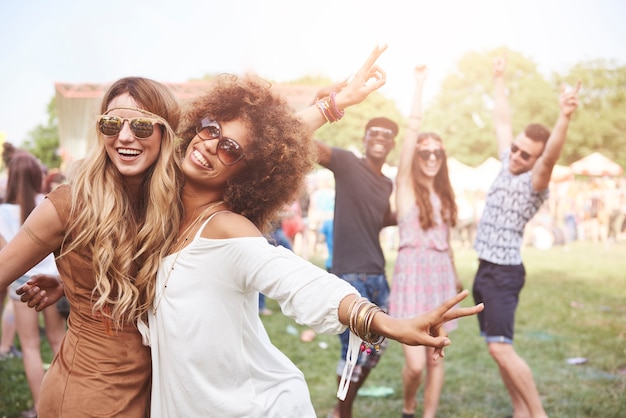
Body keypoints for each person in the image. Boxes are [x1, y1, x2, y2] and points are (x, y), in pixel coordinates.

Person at [136, 45, 483, 417]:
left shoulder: (226, 228)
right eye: (210, 129)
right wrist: (335, 103)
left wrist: (383, 322)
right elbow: (265, 143)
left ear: (245, 172)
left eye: (229, 149)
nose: (209, 145)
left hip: (254, 407)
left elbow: (301, 282)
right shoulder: (161, 207)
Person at [4, 76, 183, 417]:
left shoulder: (170, 203)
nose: (125, 136)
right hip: (88, 393)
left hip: (149, 388)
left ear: (165, 133)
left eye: (142, 125)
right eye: (112, 123)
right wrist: (78, 286)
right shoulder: (68, 204)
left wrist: (73, 283)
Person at [471, 55, 580, 418]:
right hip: (484, 269)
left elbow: (550, 157)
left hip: (504, 273)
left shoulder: (535, 182)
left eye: (524, 154)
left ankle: (537, 414)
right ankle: (520, 411)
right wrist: (499, 79)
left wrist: (564, 116)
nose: (516, 155)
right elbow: (503, 120)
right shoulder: (506, 160)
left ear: (535, 161)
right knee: (494, 347)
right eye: (516, 148)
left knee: (502, 349)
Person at [389, 66, 463, 418]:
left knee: (436, 360)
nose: (431, 158)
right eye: (424, 153)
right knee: (416, 365)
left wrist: (457, 278)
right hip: (410, 280)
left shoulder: (447, 195)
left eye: (437, 153)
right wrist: (418, 86)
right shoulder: (403, 188)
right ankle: (408, 407)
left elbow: (446, 245)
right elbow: (412, 132)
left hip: (440, 281)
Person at [0, 151, 67, 418]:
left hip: (22, 285)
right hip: (54, 280)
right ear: (35, 175)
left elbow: (6, 256)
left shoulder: (3, 212)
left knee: (28, 346)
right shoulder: (49, 203)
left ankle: (42, 409)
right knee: (59, 342)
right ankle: (66, 402)